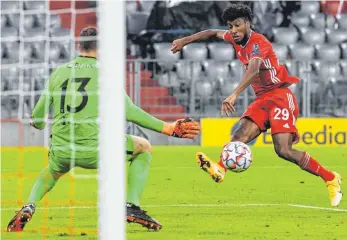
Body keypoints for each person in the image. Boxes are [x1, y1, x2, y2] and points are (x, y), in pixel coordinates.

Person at [7, 26, 200, 232]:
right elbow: (129, 111)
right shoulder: (105, 74)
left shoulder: (59, 72)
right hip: (94, 151)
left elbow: (37, 119)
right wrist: (168, 128)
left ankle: (29, 205)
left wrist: (39, 123)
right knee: (143, 147)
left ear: (79, 45)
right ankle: (131, 206)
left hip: (62, 149)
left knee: (52, 172)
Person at [171, 3, 342, 207]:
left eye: (237, 25)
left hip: (279, 97)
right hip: (263, 100)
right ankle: (220, 169)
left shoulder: (257, 43)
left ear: (247, 23)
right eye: (230, 26)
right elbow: (210, 33)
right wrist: (185, 40)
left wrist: (234, 94)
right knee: (239, 135)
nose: (233, 31)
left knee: (283, 150)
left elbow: (253, 69)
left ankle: (330, 178)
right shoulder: (234, 38)